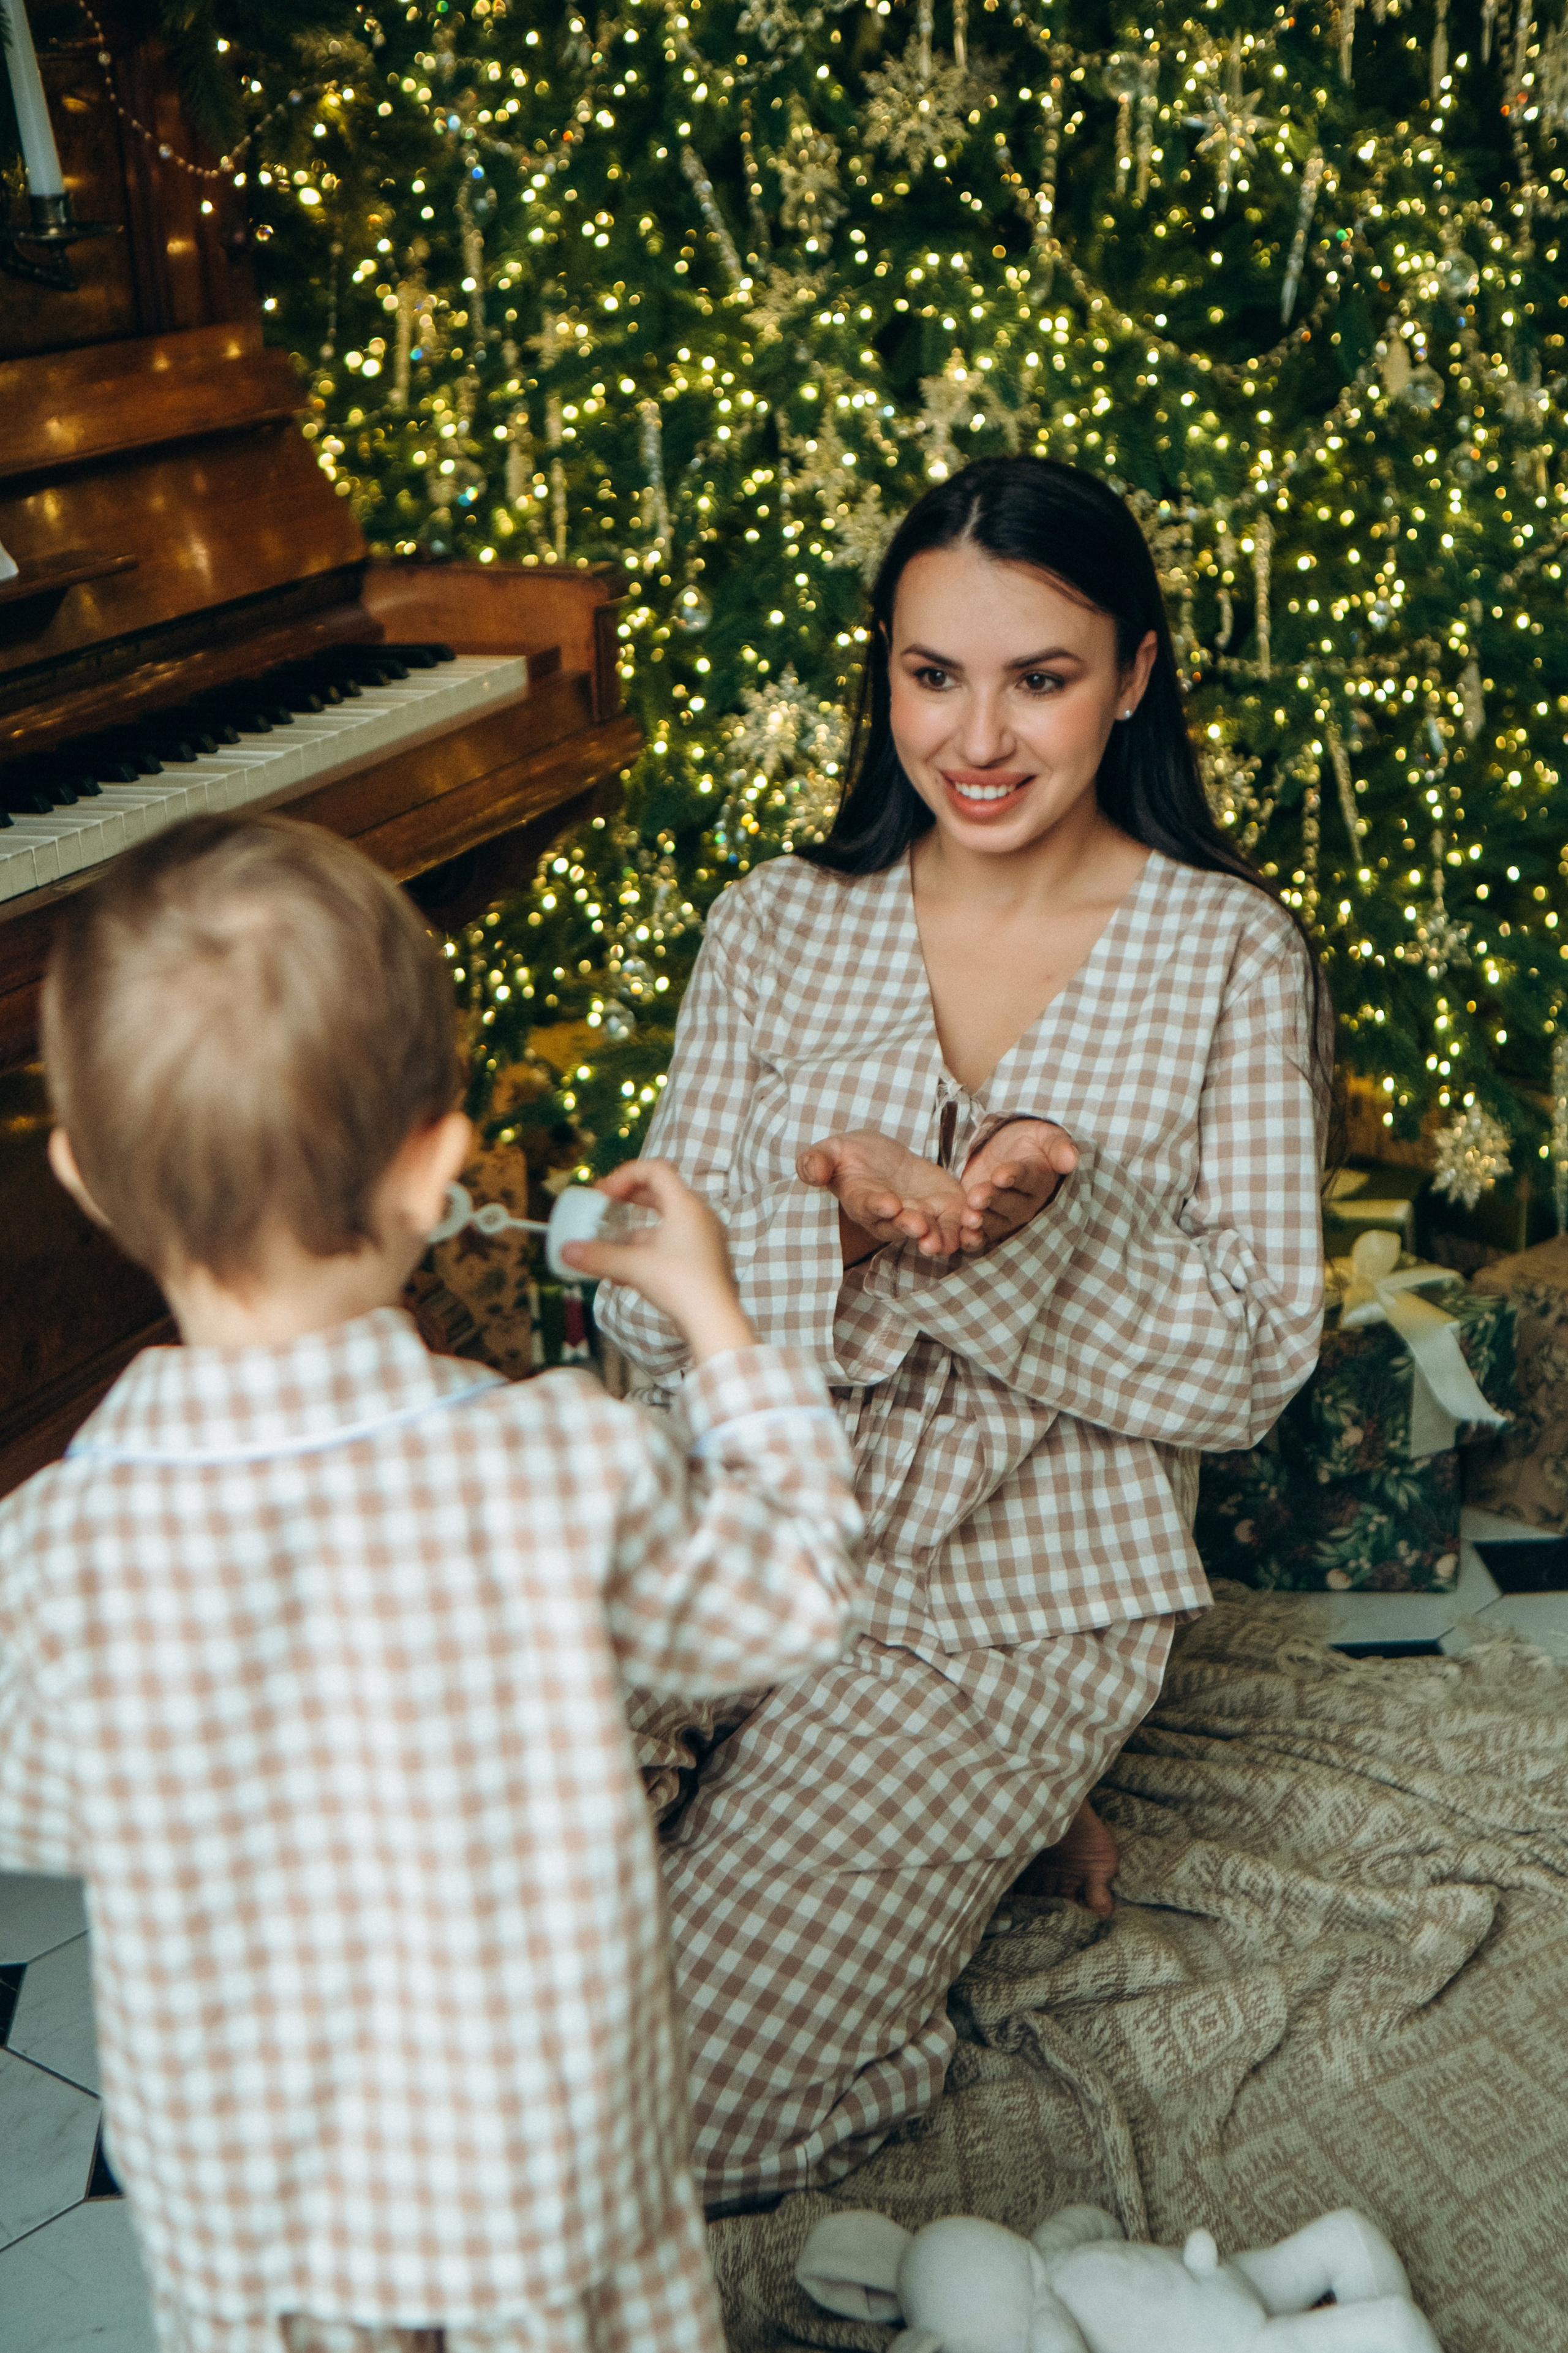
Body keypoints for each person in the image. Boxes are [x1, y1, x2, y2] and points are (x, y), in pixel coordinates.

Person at [0, 814, 863, 2353]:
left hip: (250, 2232)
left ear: (84, 1179)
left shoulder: (54, 1551)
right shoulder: (559, 1465)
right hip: (548, 2207)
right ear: (437, 1168)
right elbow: (791, 1592)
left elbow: (44, 1804)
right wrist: (714, 1317)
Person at [597, 455, 1331, 2216]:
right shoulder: (774, 928)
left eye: (1042, 677)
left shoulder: (1228, 951)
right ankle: (941, 1830)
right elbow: (644, 1324)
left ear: (1138, 673)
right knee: (466, 1952)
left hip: (1007, 1601)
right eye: (934, 675)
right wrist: (838, 1226)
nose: (977, 737)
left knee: (667, 2119)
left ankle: (936, 1850)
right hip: (723, 1525)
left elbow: (1253, 1358)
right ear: (887, 676)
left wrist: (1023, 1233)